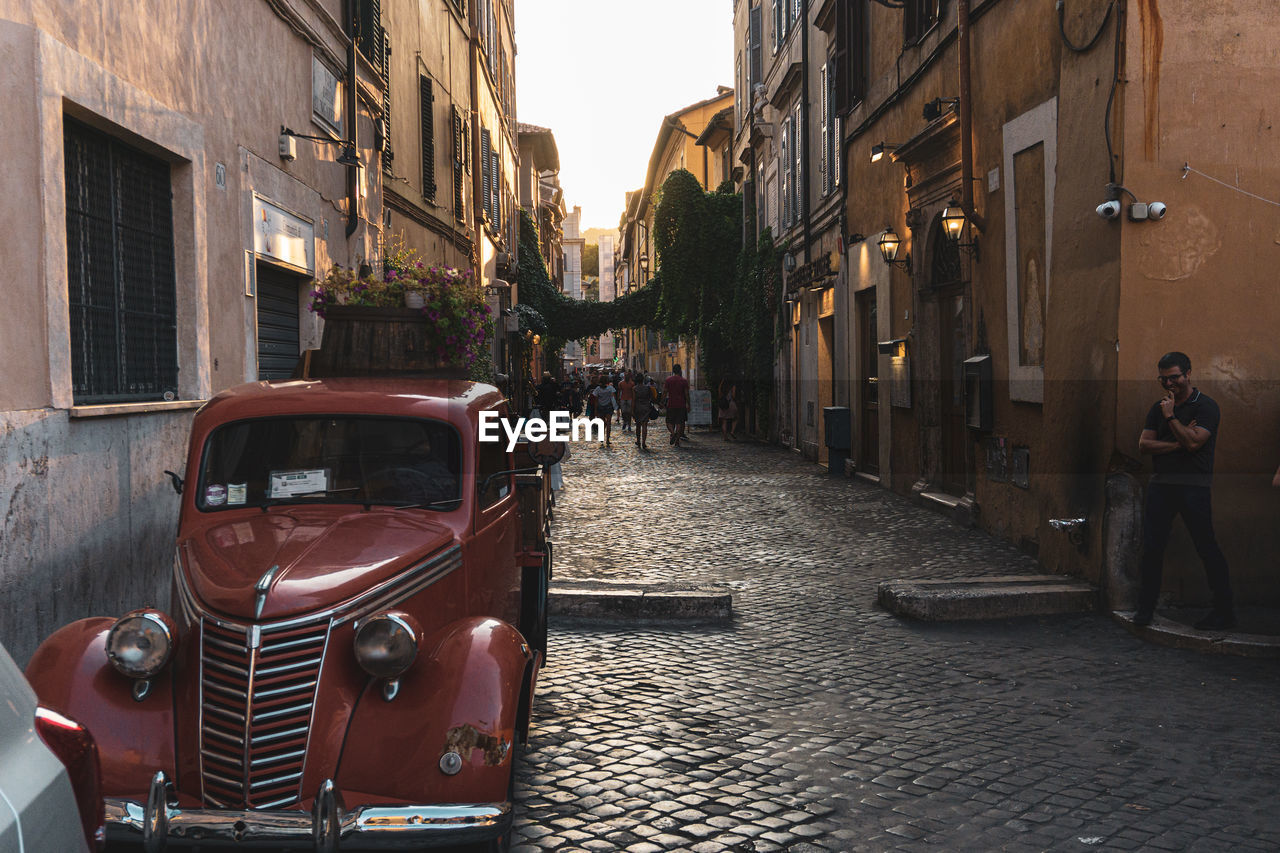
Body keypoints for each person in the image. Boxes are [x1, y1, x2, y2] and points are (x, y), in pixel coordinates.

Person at [1135, 351, 1235, 630]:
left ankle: (1225, 612)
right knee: (1152, 549)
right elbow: (1144, 445)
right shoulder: (1159, 407)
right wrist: (1178, 441)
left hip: (1194, 486)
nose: (1169, 384)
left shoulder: (1206, 407)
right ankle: (1145, 608)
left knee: (1207, 548)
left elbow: (1195, 444)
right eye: (1164, 379)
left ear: (1188, 374)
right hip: (1162, 485)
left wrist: (1171, 420)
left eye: (1175, 377)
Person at [664, 364, 690, 447]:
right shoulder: (684, 381)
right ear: (680, 371)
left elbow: (665, 392)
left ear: (673, 370)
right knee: (679, 423)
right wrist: (688, 403)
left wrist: (661, 401)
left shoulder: (668, 380)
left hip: (671, 403)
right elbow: (686, 394)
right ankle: (677, 440)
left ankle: (673, 433)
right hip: (681, 404)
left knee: (669, 422)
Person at [591, 377, 618, 447]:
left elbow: (596, 401)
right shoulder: (610, 388)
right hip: (608, 407)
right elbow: (613, 397)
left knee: (603, 423)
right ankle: (608, 439)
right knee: (608, 423)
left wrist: (595, 410)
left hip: (600, 408)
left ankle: (602, 437)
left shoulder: (597, 389)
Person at [633, 372, 654, 449]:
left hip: (638, 407)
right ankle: (643, 442)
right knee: (644, 425)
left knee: (638, 425)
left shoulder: (634, 388)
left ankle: (638, 441)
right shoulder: (647, 388)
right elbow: (651, 398)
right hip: (646, 407)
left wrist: (632, 410)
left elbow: (633, 400)